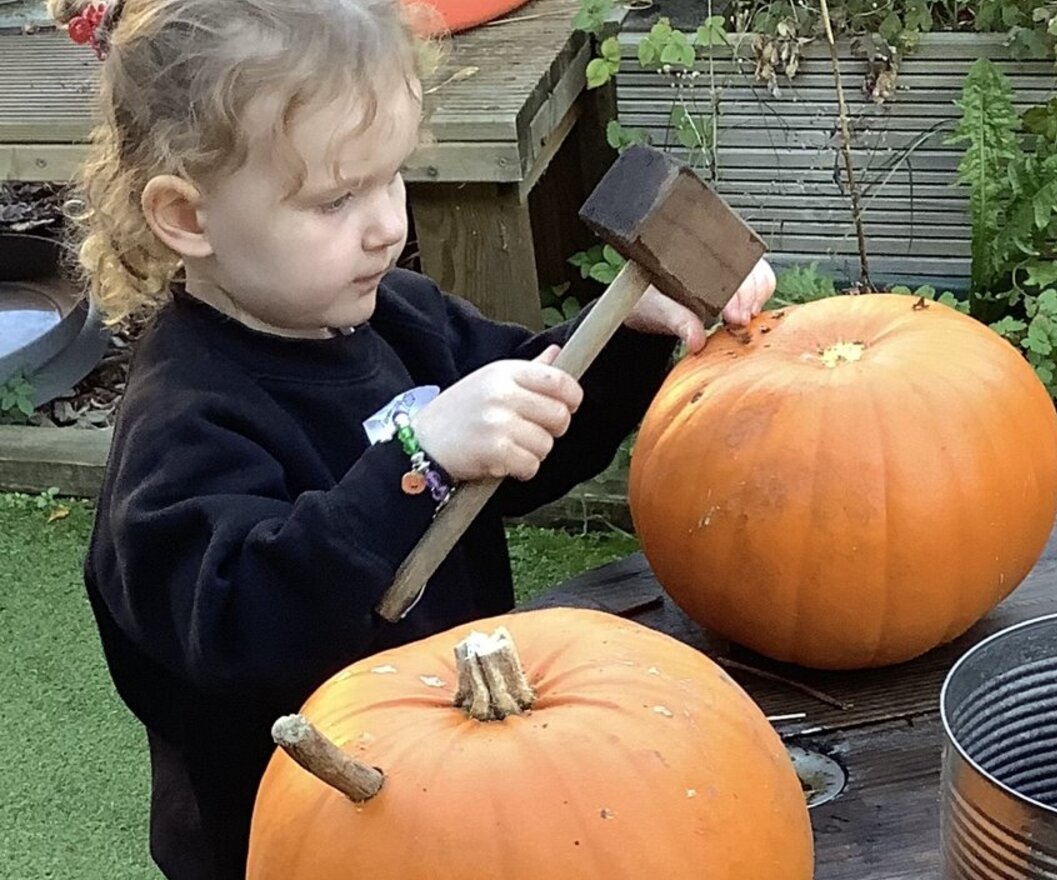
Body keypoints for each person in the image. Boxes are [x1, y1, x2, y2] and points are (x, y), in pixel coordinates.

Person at [50, 0, 775, 876]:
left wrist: (629, 336)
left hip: (459, 773)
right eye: (337, 197)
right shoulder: (184, 422)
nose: (387, 223)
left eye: (392, 176)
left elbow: (525, 442)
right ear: (188, 217)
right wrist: (416, 463)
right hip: (298, 821)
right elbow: (241, 627)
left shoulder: (396, 314)